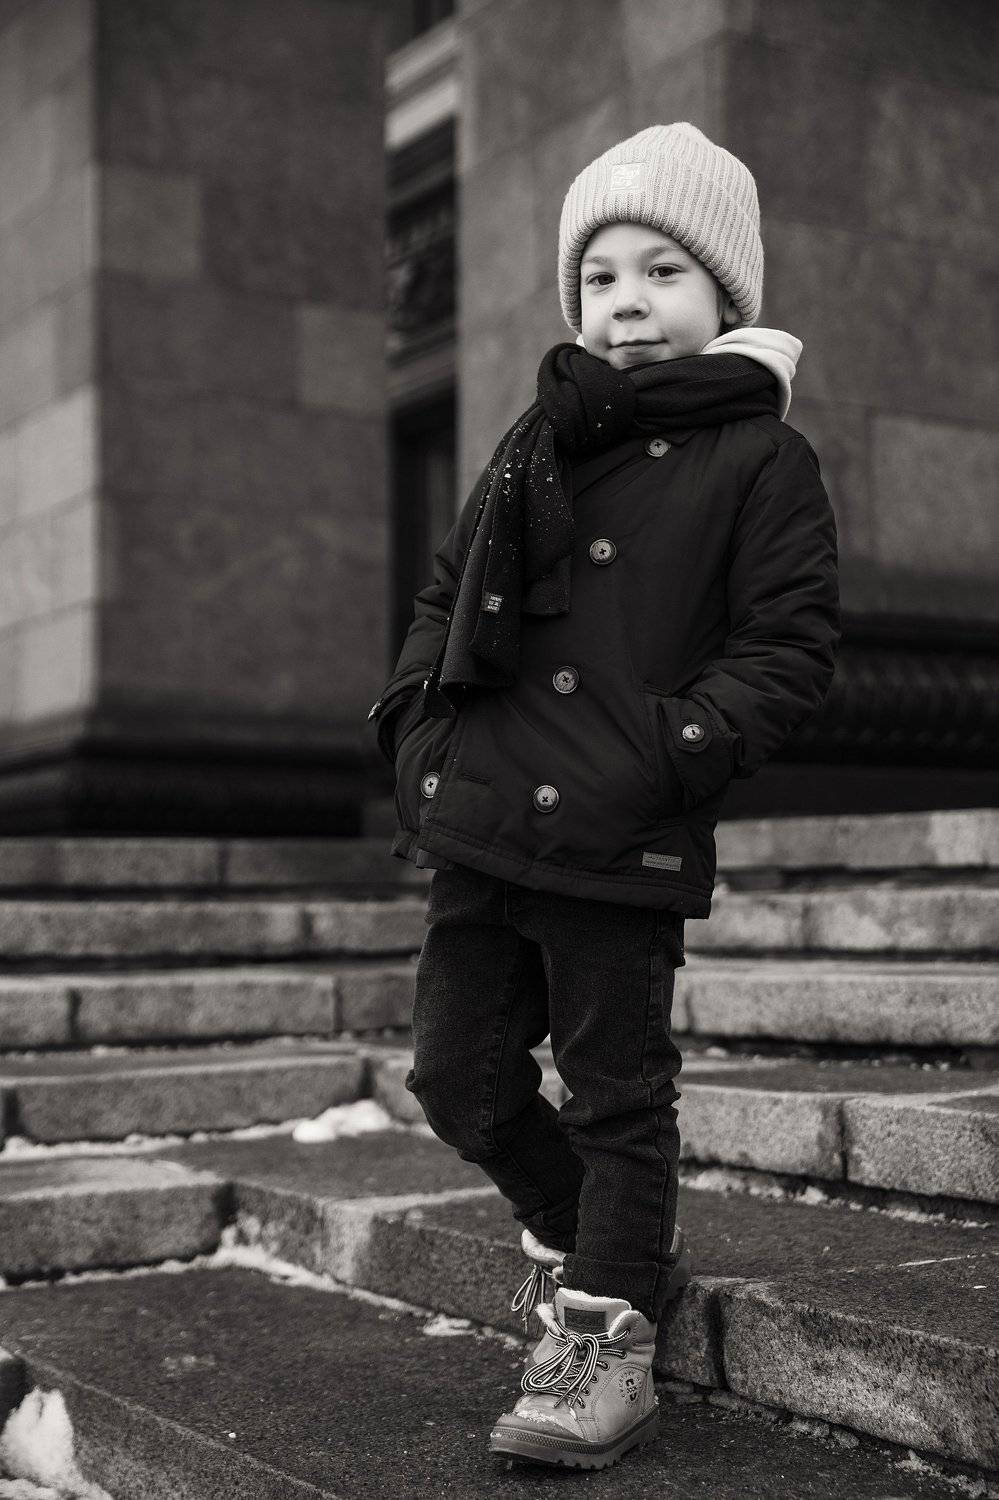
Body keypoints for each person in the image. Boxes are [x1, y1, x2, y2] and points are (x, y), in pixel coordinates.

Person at [366, 122, 840, 1471]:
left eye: (661, 273)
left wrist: (667, 750)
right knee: (455, 1076)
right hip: (484, 819)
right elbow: (444, 597)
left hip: (621, 834)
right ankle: (603, 1243)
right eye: (601, 278)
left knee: (616, 1095)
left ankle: (603, 1338)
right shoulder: (539, 437)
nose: (626, 303)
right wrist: (416, 732)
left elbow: (788, 650)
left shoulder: (761, 459)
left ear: (723, 294)